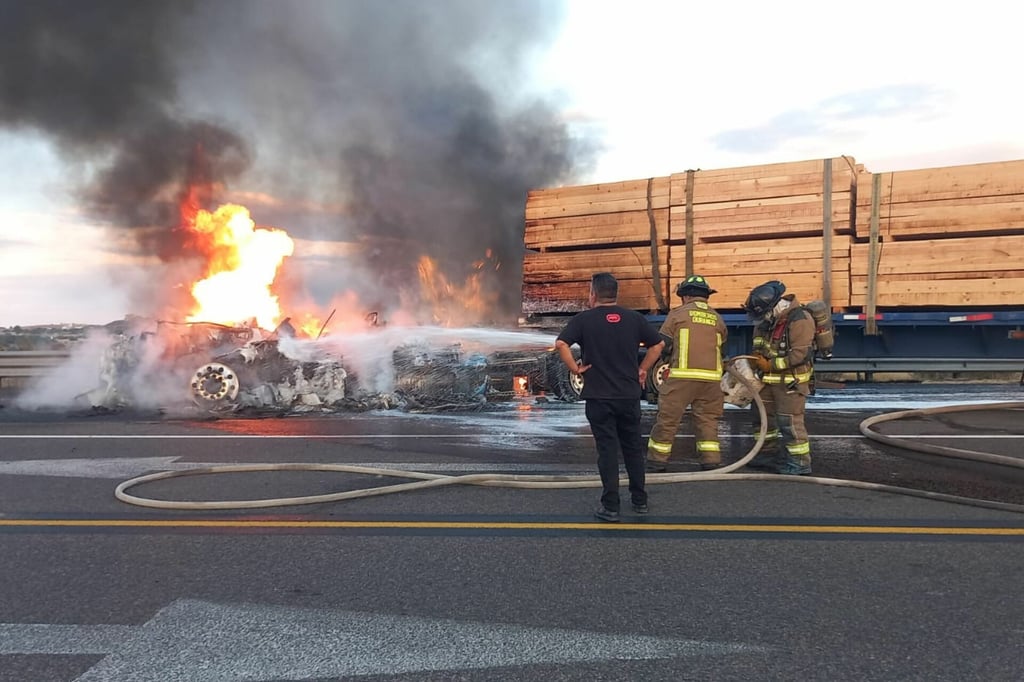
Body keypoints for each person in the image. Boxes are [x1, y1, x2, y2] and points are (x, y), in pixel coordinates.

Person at [555, 272, 665, 522]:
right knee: (633, 448)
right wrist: (643, 369)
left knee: (607, 450)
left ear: (593, 294)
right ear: (616, 294)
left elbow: (561, 344)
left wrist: (575, 368)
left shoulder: (584, 320)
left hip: (599, 397)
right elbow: (657, 346)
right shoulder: (634, 319)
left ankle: (611, 506)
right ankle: (640, 501)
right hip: (628, 396)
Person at [646, 275, 728, 472]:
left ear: (685, 296)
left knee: (668, 419)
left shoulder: (677, 314)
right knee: (708, 421)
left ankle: (657, 460)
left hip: (682, 379)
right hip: (711, 381)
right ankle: (710, 460)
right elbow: (722, 346)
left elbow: (663, 344)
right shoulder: (717, 318)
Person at [742, 280, 816, 475]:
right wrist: (754, 358)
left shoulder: (800, 319)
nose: (760, 320)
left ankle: (800, 462)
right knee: (762, 420)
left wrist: (771, 364)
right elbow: (758, 343)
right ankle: (765, 454)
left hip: (790, 382)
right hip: (766, 381)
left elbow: (800, 355)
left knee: (789, 422)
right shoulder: (766, 321)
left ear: (773, 307)